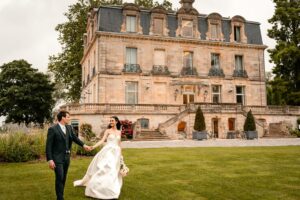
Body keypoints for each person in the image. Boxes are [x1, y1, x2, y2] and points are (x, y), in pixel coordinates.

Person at [74, 116, 124, 199]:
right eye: (110, 121)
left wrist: (121, 156)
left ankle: (109, 188)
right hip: (108, 151)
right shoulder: (108, 130)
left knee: (113, 170)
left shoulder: (119, 132)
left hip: (116, 153)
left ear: (116, 122)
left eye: (112, 120)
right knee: (107, 168)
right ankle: (95, 188)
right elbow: (102, 140)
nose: (111, 122)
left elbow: (119, 144)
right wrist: (93, 147)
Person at [46, 110, 92, 200]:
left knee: (63, 178)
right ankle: (60, 198)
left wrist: (84, 145)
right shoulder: (53, 129)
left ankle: (60, 195)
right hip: (57, 158)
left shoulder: (69, 128)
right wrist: (50, 159)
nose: (69, 118)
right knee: (59, 177)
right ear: (63, 118)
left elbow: (74, 138)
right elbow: (48, 146)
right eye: (68, 117)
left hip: (67, 158)